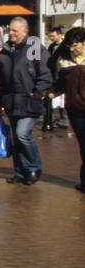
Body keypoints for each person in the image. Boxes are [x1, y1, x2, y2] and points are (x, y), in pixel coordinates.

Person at [0, 16, 54, 185]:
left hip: (29, 100)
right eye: (10, 30)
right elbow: (1, 79)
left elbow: (46, 74)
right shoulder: (5, 51)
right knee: (16, 138)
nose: (10, 33)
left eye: (14, 31)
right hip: (11, 101)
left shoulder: (35, 49)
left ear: (25, 32)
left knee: (22, 134)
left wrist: (37, 92)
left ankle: (34, 167)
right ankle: (20, 172)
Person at [51, 26, 85, 192]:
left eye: (76, 45)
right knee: (83, 145)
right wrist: (50, 92)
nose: (72, 49)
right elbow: (60, 84)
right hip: (75, 109)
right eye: (70, 45)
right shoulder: (64, 60)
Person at [43, 26, 67, 130]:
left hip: (62, 75)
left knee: (62, 98)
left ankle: (64, 119)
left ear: (59, 35)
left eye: (53, 36)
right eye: (50, 36)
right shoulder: (52, 46)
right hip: (53, 75)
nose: (51, 38)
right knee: (55, 98)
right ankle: (59, 119)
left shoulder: (65, 46)